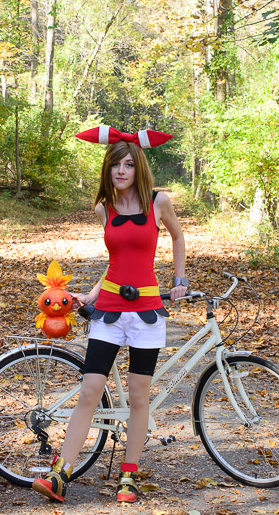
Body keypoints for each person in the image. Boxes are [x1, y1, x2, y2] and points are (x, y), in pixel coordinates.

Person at [32, 125, 188, 504]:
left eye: (128, 165)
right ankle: (60, 473)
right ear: (108, 169)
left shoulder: (158, 202)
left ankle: (128, 477)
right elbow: (115, 261)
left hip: (147, 311)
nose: (121, 171)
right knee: (89, 391)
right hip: (111, 311)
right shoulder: (105, 208)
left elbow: (178, 237)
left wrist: (179, 278)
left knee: (138, 397)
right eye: (115, 165)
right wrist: (92, 294)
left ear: (138, 168)